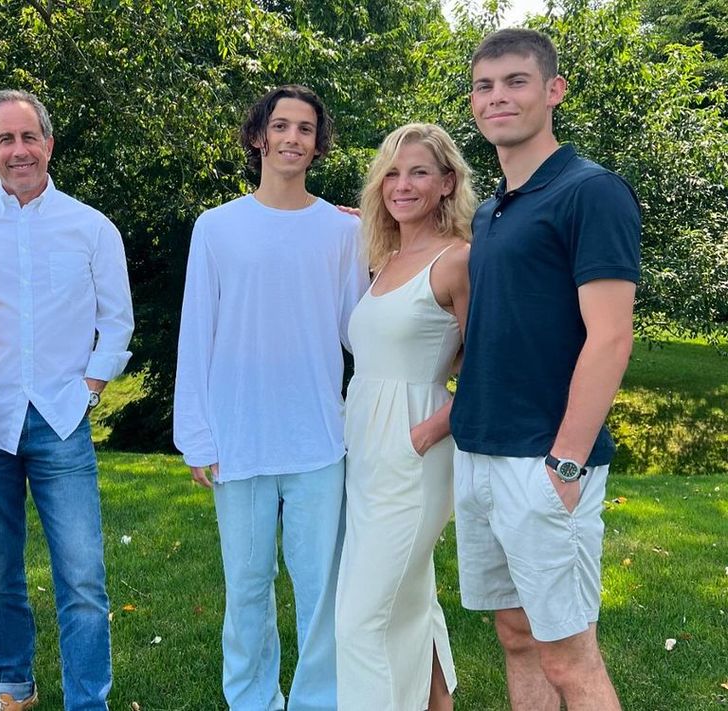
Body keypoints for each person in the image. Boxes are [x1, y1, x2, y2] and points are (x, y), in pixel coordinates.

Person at [449, 28, 640, 711]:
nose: (497, 97)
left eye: (515, 81)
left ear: (553, 91)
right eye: (484, 85)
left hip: (546, 460)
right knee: (516, 632)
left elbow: (612, 336)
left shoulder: (591, 192)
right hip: (479, 451)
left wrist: (565, 462)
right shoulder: (494, 209)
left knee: (569, 655)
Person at [174, 85, 368, 711]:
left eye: (305, 129)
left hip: (318, 437)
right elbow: (196, 331)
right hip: (239, 439)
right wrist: (197, 435)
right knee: (248, 586)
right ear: (258, 136)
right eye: (280, 125)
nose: (292, 138)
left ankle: (317, 701)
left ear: (318, 144)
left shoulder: (342, 233)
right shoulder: (217, 227)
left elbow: (354, 329)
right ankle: (253, 700)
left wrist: (379, 249)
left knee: (320, 591)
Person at [0, 89, 134, 711]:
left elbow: (118, 320)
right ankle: (13, 687)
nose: (19, 150)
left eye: (29, 137)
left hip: (61, 419)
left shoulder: (90, 227)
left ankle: (88, 701)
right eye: (5, 139)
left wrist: (92, 385)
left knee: (82, 577)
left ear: (49, 144)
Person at [335, 123, 474, 711]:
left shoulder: (457, 261)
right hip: (364, 449)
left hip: (415, 449)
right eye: (391, 172)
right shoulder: (383, 255)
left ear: (447, 182)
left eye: (419, 171)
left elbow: (491, 365)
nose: (402, 184)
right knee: (411, 600)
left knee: (361, 622)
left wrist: (428, 430)